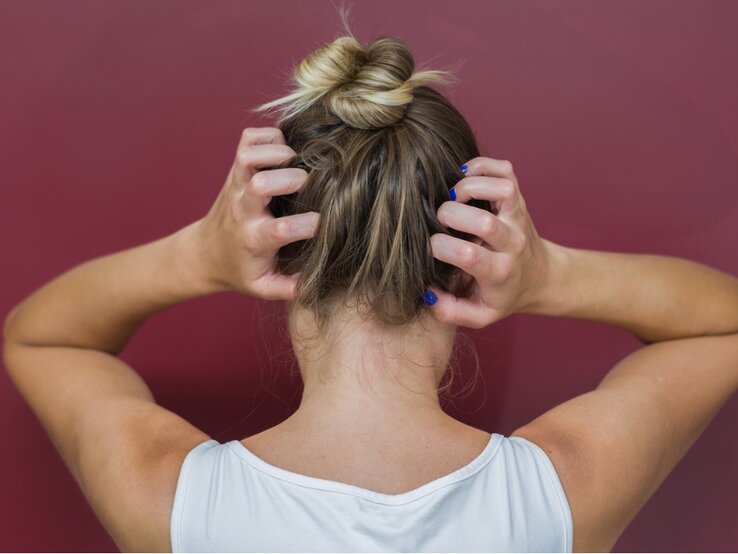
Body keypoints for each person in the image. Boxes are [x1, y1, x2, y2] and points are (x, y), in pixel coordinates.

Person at [4, 16, 738, 554]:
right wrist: (547, 276)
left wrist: (198, 255)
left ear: (289, 262)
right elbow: (723, 323)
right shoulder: (556, 496)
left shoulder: (174, 501)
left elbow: (40, 337)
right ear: (464, 257)